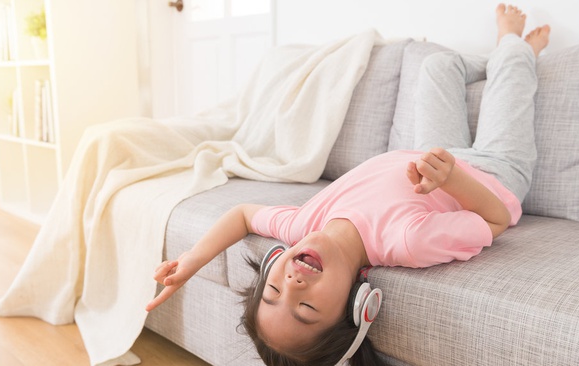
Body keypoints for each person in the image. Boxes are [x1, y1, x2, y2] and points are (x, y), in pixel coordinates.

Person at [146, 4, 551, 366]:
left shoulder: (302, 225)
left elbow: (242, 215)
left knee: (437, 67)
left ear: (273, 264)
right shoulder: (406, 241)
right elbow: (496, 219)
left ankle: (502, 61)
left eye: (272, 290)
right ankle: (513, 49)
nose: (292, 284)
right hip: (497, 173)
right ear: (354, 304)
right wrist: (455, 179)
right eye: (305, 307)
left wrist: (191, 262)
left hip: (431, 156)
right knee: (514, 66)